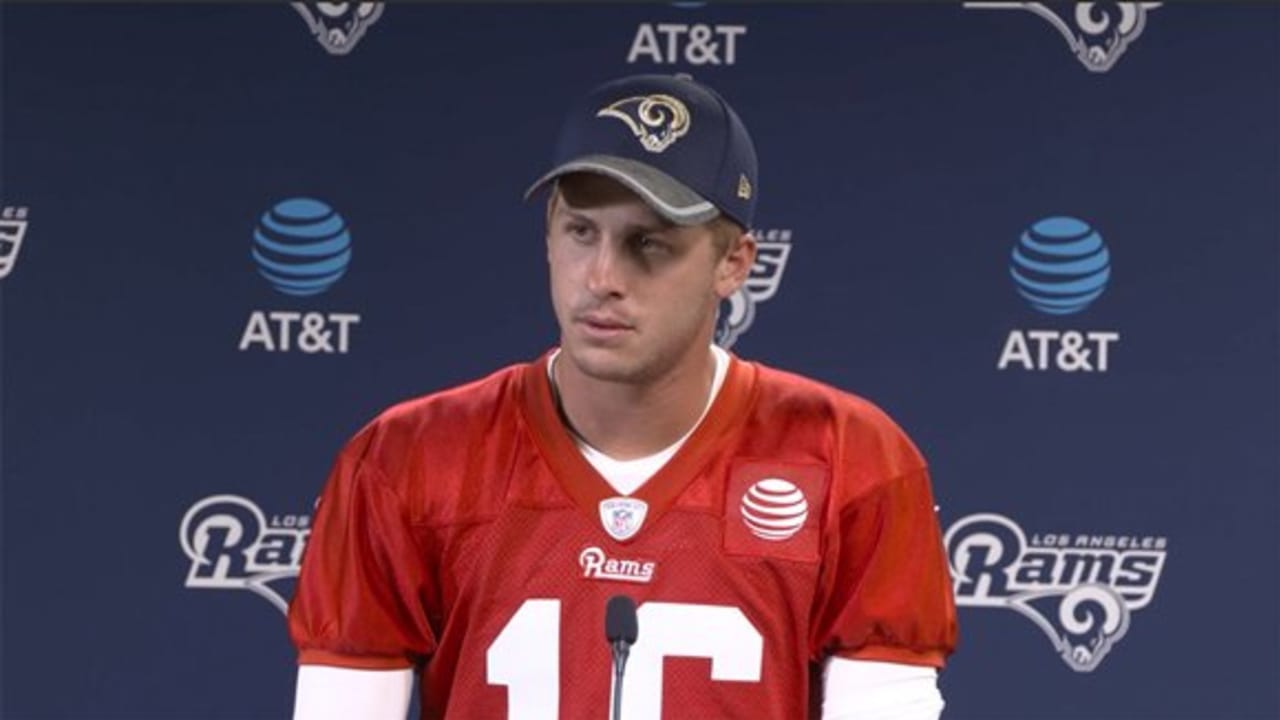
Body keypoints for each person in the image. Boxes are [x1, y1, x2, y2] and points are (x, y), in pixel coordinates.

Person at [288, 73, 958, 720]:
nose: (602, 277)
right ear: (549, 233)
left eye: (649, 243)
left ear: (735, 263)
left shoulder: (851, 460)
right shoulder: (404, 460)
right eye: (582, 231)